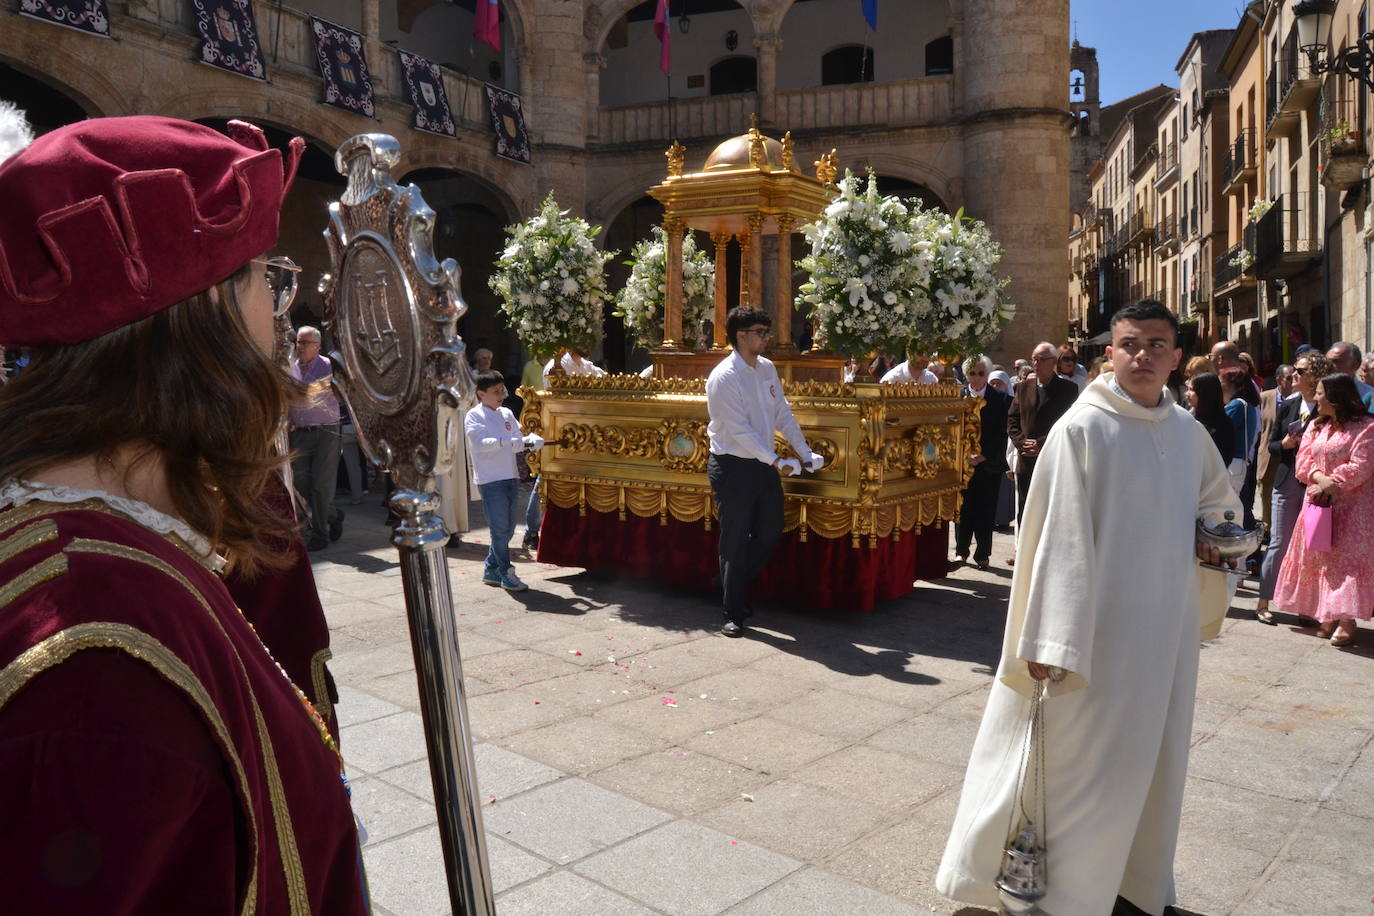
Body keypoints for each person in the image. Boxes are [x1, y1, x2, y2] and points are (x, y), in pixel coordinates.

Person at [0, 115, 368, 911]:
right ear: (200, 324)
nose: (277, 312)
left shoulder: (112, 557)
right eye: (265, 277)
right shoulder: (102, 672)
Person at [937, 299, 1241, 916]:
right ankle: (1058, 893)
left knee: (1146, 764)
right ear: (1110, 353)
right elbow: (1056, 545)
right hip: (1094, 637)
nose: (1143, 356)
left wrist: (1221, 536)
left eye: (1157, 345)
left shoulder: (1186, 433)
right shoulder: (1082, 430)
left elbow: (1219, 505)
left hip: (1163, 636)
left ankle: (1131, 878)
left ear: (1177, 357)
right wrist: (1051, 642)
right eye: (1130, 344)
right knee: (1075, 766)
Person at [706, 306, 824, 637]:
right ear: (740, 336)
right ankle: (733, 611)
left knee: (771, 529)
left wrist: (805, 452)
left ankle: (732, 583)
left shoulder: (767, 368)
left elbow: (782, 413)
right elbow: (740, 431)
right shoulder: (723, 377)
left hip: (762, 464)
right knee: (735, 538)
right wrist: (774, 460)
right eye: (760, 332)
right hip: (732, 465)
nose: (766, 338)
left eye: (766, 332)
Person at [1272, 373, 1374, 647]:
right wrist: (1319, 479)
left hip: (1352, 508)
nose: (1315, 398)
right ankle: (1326, 614)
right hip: (1318, 503)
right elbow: (1303, 461)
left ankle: (1346, 620)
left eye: (1319, 393)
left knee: (1345, 561)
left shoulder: (1366, 426)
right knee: (1320, 558)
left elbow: (1362, 464)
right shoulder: (1317, 426)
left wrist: (1334, 481)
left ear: (1335, 397)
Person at [1256, 354, 1333, 626]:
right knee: (1278, 542)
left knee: (1312, 547)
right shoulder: (1288, 406)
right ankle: (1264, 602)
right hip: (1287, 481)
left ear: (1314, 375)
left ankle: (1306, 607)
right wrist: (1286, 444)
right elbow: (1272, 445)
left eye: (1299, 371)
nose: (1293, 376)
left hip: (1314, 488)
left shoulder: (1328, 408)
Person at [465, 370, 543, 591]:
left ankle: (491, 567)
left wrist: (530, 441)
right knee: (500, 529)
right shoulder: (474, 416)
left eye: (502, 390)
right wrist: (508, 441)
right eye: (495, 391)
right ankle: (505, 571)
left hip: (509, 477)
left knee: (507, 530)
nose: (501, 395)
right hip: (490, 479)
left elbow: (517, 442)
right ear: (481, 394)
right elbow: (480, 443)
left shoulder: (507, 413)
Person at [1006, 340, 1079, 544]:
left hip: (1052, 459)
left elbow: (1069, 421)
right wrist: (1022, 443)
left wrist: (1041, 443)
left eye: (1041, 360)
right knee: (1026, 509)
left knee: (1050, 511)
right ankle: (1024, 551)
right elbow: (1012, 419)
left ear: (1054, 362)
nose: (1036, 364)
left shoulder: (1068, 389)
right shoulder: (1022, 387)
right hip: (1026, 461)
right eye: (1034, 360)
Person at [953, 355, 1012, 568]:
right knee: (963, 508)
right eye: (972, 373)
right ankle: (961, 551)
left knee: (986, 509)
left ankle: (983, 554)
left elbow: (1003, 433)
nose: (976, 378)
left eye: (981, 373)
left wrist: (985, 454)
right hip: (963, 463)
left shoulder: (1001, 399)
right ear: (965, 374)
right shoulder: (957, 398)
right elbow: (952, 430)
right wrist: (964, 454)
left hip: (989, 463)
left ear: (987, 374)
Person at [290, 325, 345, 550]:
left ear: (317, 346)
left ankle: (320, 534)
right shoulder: (291, 369)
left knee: (321, 485)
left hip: (326, 431)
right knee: (301, 483)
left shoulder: (329, 366)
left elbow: (335, 393)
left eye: (305, 343)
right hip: (300, 432)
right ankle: (333, 515)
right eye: (298, 342)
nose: (300, 347)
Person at [1220, 367, 1260, 529]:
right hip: (1239, 464)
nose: (1219, 387)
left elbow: (1220, 429)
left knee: (1226, 510)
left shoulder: (1236, 405)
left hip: (1232, 463)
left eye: (1221, 383)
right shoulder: (1247, 404)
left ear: (1232, 385)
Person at [1256, 364, 1296, 531]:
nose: (1293, 381)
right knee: (1266, 496)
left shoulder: (1298, 399)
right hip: (1268, 454)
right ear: (1279, 379)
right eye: (1289, 378)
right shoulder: (1264, 397)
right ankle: (1267, 530)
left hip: (1289, 456)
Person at [987, 370, 1018, 531]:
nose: (995, 386)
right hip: (991, 452)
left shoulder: (1010, 401)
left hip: (1005, 449)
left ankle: (1003, 518)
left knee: (1004, 490)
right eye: (992, 382)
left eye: (998, 383)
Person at [1186, 372, 1234, 463]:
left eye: (1192, 390)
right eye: (1187, 389)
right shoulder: (1186, 418)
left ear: (1204, 393)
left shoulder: (1223, 426)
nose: (1187, 393)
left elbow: (1222, 461)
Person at [1326, 341, 1374, 411]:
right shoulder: (1317, 394)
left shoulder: (1369, 396)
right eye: (1327, 361)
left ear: (1355, 365)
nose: (1328, 366)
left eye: (1335, 361)